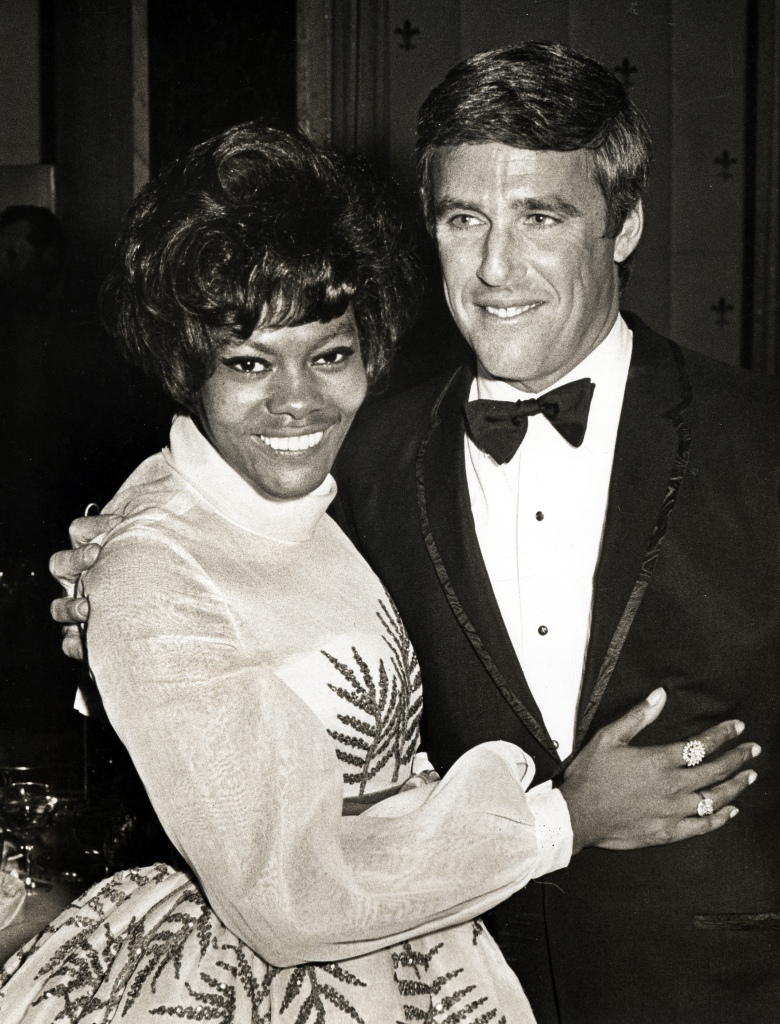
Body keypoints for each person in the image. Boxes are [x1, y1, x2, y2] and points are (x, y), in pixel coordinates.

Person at [44, 74, 764, 1022]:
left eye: (539, 215)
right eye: (464, 219)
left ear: (623, 226)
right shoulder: (364, 454)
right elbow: (227, 594)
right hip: (435, 969)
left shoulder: (760, 437)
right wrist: (106, 609)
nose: (497, 268)